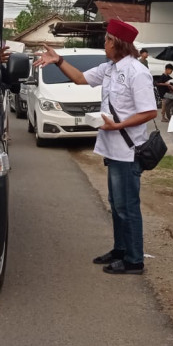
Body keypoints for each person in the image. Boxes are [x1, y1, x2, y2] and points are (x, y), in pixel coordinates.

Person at [34, 19, 157, 275]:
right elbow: (79, 78)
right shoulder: (110, 69)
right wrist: (58, 61)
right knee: (116, 203)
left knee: (127, 206)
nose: (104, 44)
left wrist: (118, 125)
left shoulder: (137, 71)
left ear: (117, 43)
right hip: (112, 149)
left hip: (128, 150)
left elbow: (148, 111)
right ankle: (120, 249)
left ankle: (135, 260)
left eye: (106, 40)